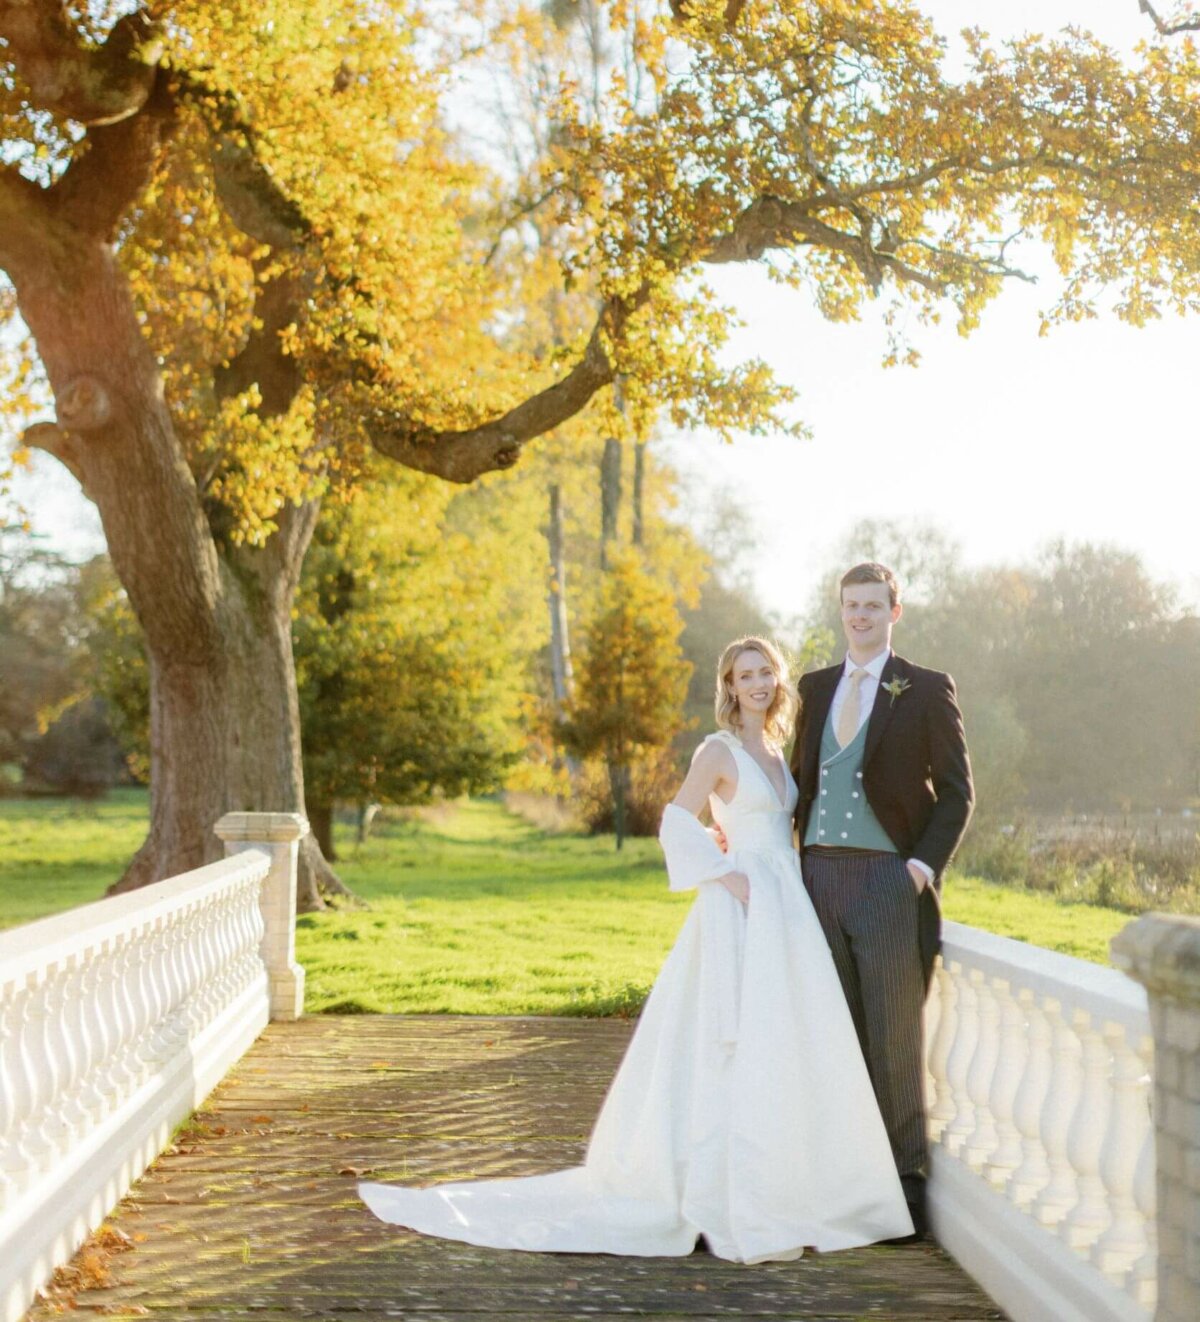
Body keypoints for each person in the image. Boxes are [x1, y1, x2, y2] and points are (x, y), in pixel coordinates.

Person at [359, 636, 913, 1260]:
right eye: (744, 675)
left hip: (785, 907)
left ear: (778, 681)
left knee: (786, 1039)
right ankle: (716, 1193)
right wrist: (724, 873)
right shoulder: (718, 750)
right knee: (728, 1039)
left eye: (765, 673)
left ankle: (792, 1188)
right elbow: (674, 819)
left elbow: (762, 823)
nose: (756, 683)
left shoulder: (780, 751)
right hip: (739, 908)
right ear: (729, 687)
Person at [790, 563, 974, 1240]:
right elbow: (796, 784)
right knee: (830, 1032)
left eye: (873, 605)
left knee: (896, 1037)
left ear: (896, 611)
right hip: (814, 881)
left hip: (887, 882)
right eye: (851, 605)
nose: (860, 616)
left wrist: (918, 871)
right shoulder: (811, 688)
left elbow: (958, 792)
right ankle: (840, 1176)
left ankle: (903, 1187)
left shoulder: (924, 689)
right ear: (840, 612)